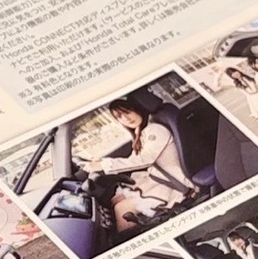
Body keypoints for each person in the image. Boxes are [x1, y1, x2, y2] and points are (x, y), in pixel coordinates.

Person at [74, 97, 198, 233]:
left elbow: (144, 160)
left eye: (127, 112)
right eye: (119, 116)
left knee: (121, 208)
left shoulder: (155, 130)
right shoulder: (141, 132)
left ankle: (129, 238)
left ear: (137, 109)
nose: (125, 118)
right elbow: (133, 159)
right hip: (159, 178)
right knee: (117, 199)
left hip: (175, 183)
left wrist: (103, 165)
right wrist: (99, 163)